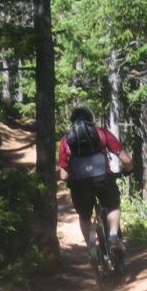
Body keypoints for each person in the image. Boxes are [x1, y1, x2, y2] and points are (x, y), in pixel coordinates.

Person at [58, 106, 133, 252]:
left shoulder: (65, 140)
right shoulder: (102, 133)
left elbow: (63, 175)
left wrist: (72, 180)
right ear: (90, 119)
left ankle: (91, 248)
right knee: (113, 205)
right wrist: (128, 170)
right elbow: (126, 160)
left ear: (72, 121)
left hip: (79, 184)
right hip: (103, 178)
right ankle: (112, 237)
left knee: (84, 216)